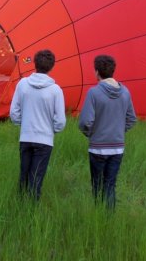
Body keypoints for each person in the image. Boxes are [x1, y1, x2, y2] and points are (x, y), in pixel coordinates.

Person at [78, 54, 137, 210]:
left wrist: (92, 133)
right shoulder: (125, 92)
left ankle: (98, 217)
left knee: (97, 186)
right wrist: (118, 131)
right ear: (113, 71)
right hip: (117, 148)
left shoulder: (94, 93)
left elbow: (85, 122)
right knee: (110, 185)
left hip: (97, 147)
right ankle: (109, 218)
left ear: (96, 71)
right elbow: (131, 119)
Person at [9, 49, 66, 200]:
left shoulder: (22, 84)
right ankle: (32, 209)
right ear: (52, 66)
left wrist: (24, 123)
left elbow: (14, 112)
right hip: (44, 140)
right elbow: (60, 121)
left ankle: (21, 205)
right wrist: (50, 130)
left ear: (34, 64)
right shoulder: (56, 90)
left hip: (26, 137)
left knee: (24, 175)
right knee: (37, 177)